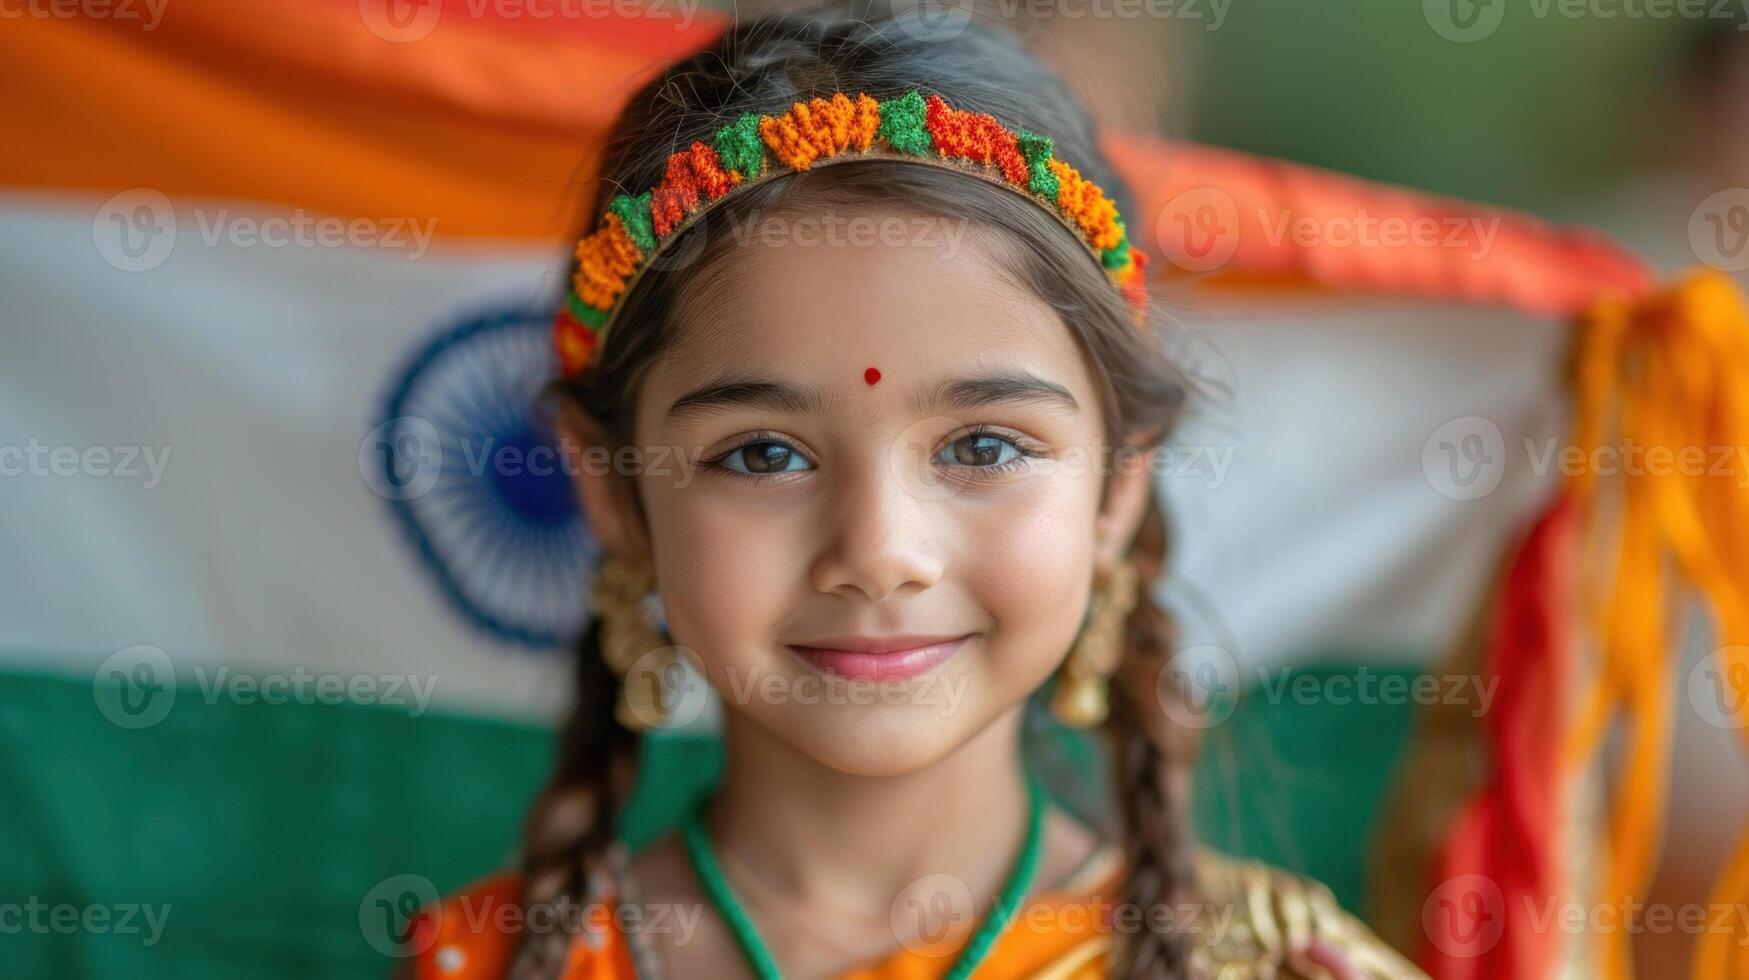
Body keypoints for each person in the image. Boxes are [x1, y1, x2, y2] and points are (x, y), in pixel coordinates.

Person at [407, 5, 1425, 978]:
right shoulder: (486, 963)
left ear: (1118, 489)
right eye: (764, 453)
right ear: (613, 492)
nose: (881, 549)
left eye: (983, 444)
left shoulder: (1275, 967)